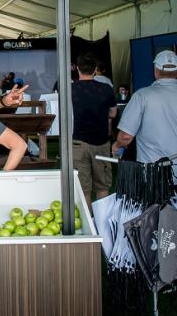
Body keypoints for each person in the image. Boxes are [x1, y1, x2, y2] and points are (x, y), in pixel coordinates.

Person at [113, 50, 177, 179]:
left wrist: (117, 146)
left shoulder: (142, 96)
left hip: (153, 173)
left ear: (155, 71)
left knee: (156, 200)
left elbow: (126, 136)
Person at [71, 53, 118, 207]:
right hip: (102, 142)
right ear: (95, 69)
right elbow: (113, 113)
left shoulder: (70, 89)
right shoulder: (106, 89)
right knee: (102, 186)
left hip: (78, 142)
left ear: (77, 68)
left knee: (83, 188)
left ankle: (88, 225)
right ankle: (102, 224)